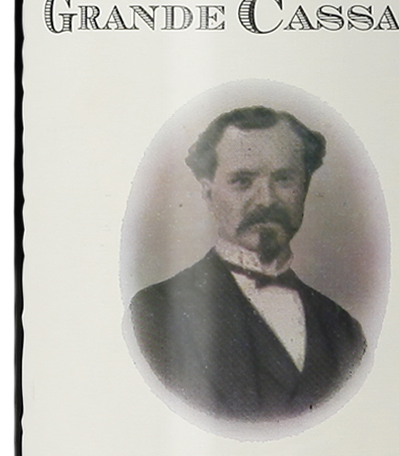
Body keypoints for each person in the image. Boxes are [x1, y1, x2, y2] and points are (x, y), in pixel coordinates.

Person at [129, 104, 367, 420]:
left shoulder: (344, 329)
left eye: (284, 179)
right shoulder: (156, 314)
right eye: (243, 181)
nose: (266, 199)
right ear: (208, 194)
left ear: (305, 187)